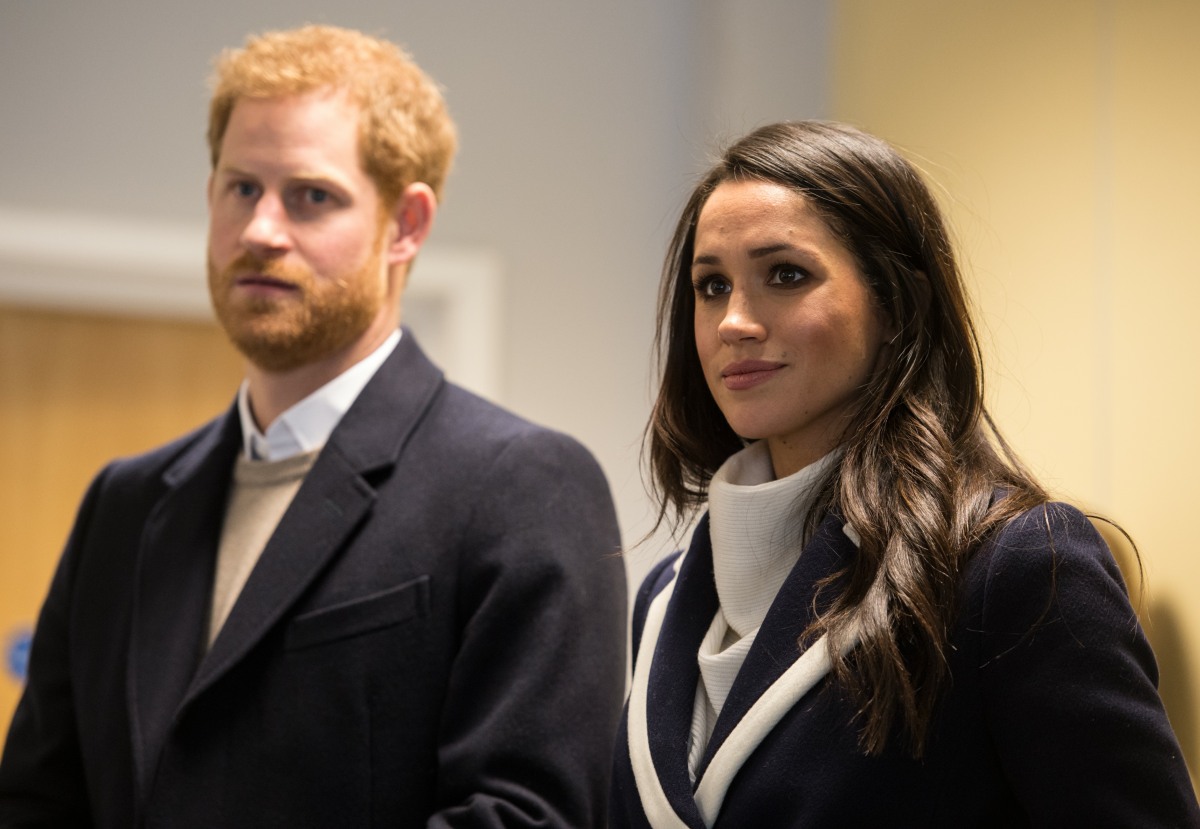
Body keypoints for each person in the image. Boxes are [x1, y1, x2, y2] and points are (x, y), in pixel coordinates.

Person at [0, 24, 627, 827]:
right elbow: (38, 801)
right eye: (241, 188)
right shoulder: (125, 504)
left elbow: (524, 815)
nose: (262, 230)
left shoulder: (520, 485)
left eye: (311, 196)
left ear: (406, 225)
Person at [610, 121, 1199, 827]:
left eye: (786, 275)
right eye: (711, 286)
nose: (734, 320)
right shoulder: (666, 596)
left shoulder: (1015, 568)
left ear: (897, 304)